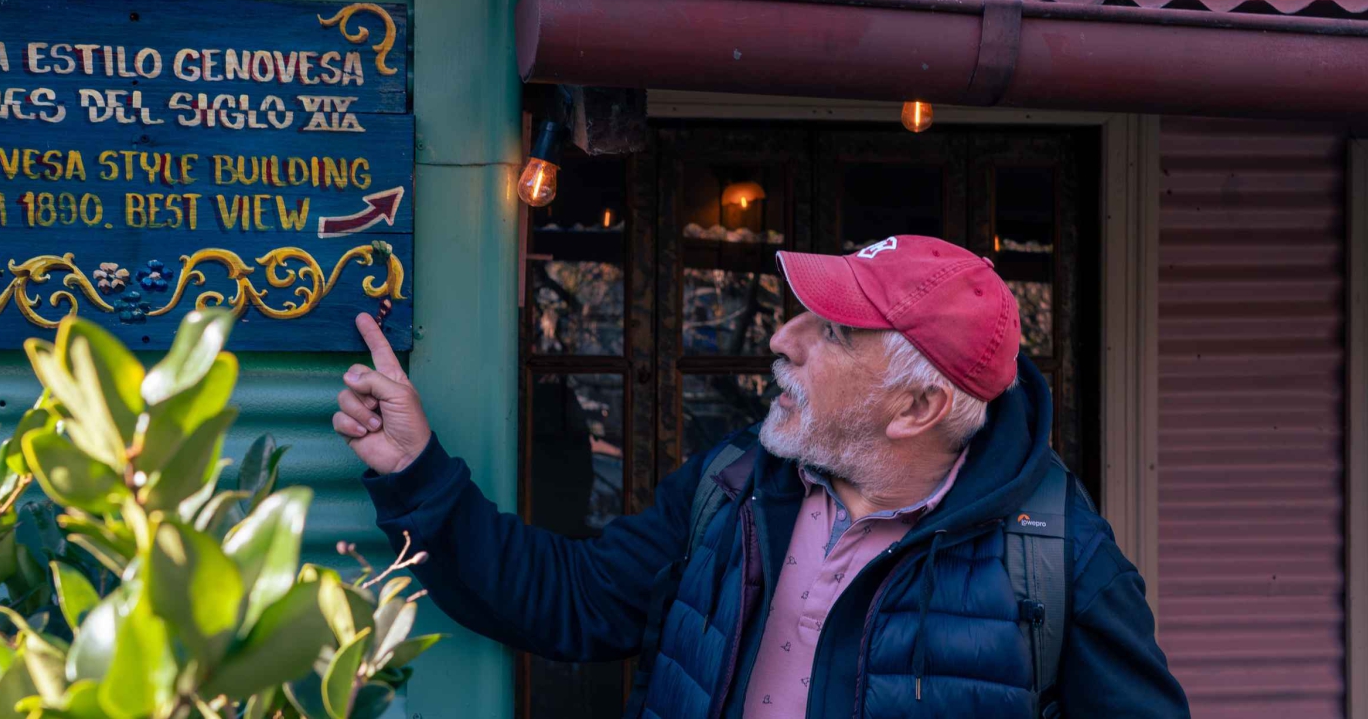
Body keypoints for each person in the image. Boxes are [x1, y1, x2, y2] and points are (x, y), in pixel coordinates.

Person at [334, 235, 1190, 718]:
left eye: (832, 330)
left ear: (918, 407)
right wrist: (417, 471)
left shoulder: (1056, 561)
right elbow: (576, 598)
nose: (783, 338)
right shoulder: (739, 485)